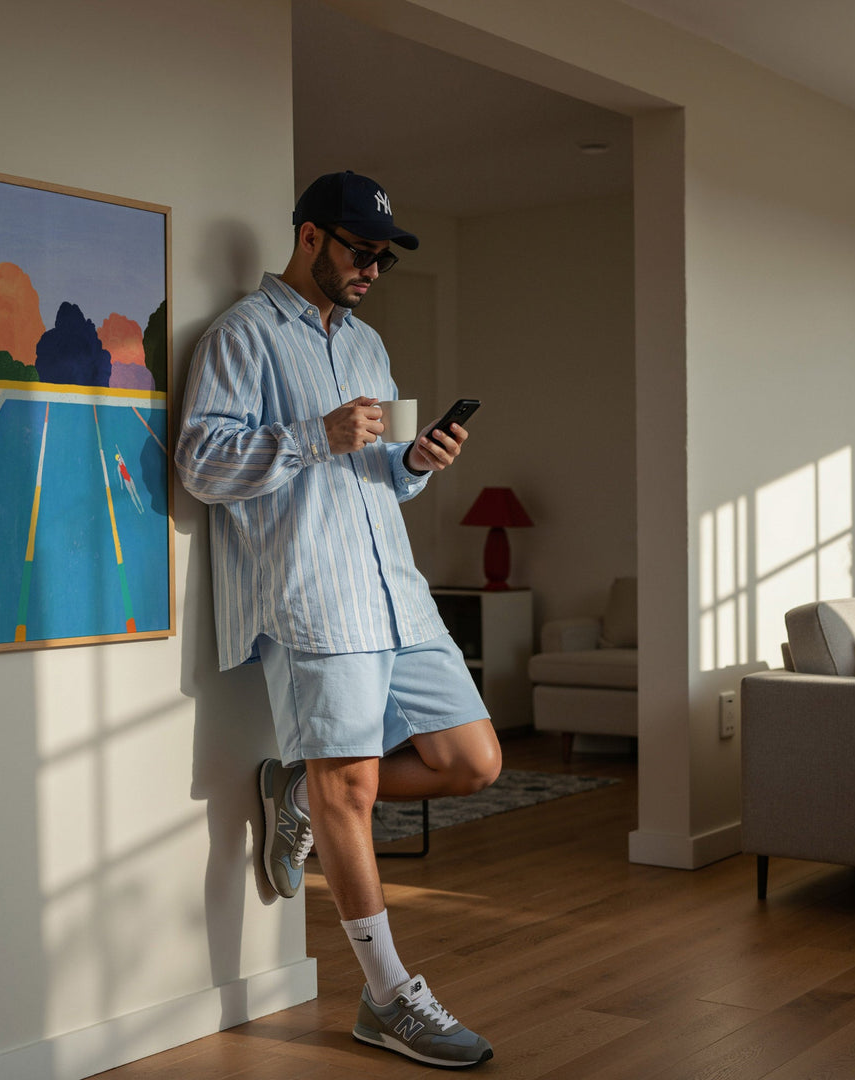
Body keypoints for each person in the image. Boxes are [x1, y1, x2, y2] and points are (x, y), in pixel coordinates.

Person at [176, 171, 500, 1069]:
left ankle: (297, 788)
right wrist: (316, 434)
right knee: (351, 789)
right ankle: (388, 995)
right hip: (313, 595)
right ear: (311, 237)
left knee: (474, 762)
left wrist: (419, 461)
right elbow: (201, 465)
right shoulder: (241, 335)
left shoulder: (368, 344)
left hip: (399, 587)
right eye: (361, 251)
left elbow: (381, 471)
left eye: (384, 258)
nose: (373, 268)